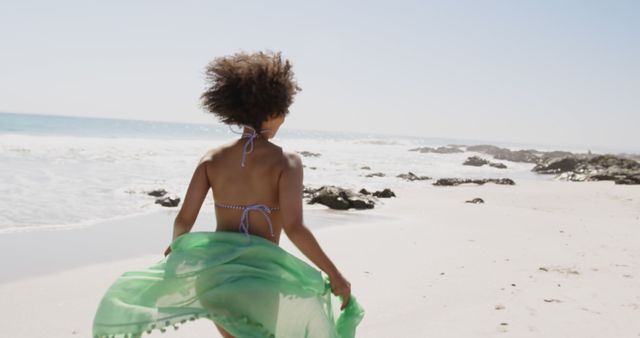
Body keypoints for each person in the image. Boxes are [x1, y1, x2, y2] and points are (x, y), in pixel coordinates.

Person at [92, 51, 364, 338]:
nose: (284, 119)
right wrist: (334, 274)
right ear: (273, 112)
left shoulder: (211, 159)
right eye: (284, 112)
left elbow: (184, 221)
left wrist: (180, 253)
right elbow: (294, 228)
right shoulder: (288, 162)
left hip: (215, 275)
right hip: (261, 276)